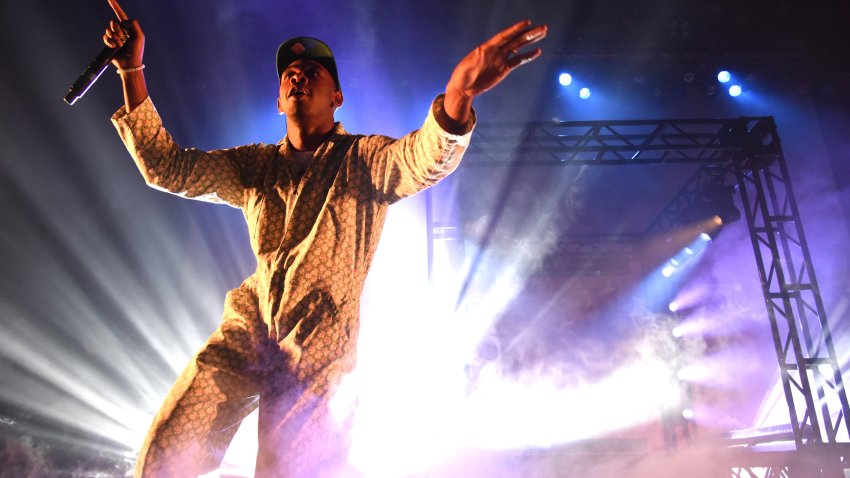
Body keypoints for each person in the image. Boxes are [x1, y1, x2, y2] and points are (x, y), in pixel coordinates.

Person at [102, 0, 546, 476]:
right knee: (167, 451)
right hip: (250, 325)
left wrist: (458, 97)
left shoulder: (362, 159)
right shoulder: (254, 167)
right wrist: (131, 69)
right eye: (290, 72)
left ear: (337, 97)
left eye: (313, 71)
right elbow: (168, 168)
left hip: (319, 345)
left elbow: (421, 159)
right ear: (277, 100)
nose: (299, 77)